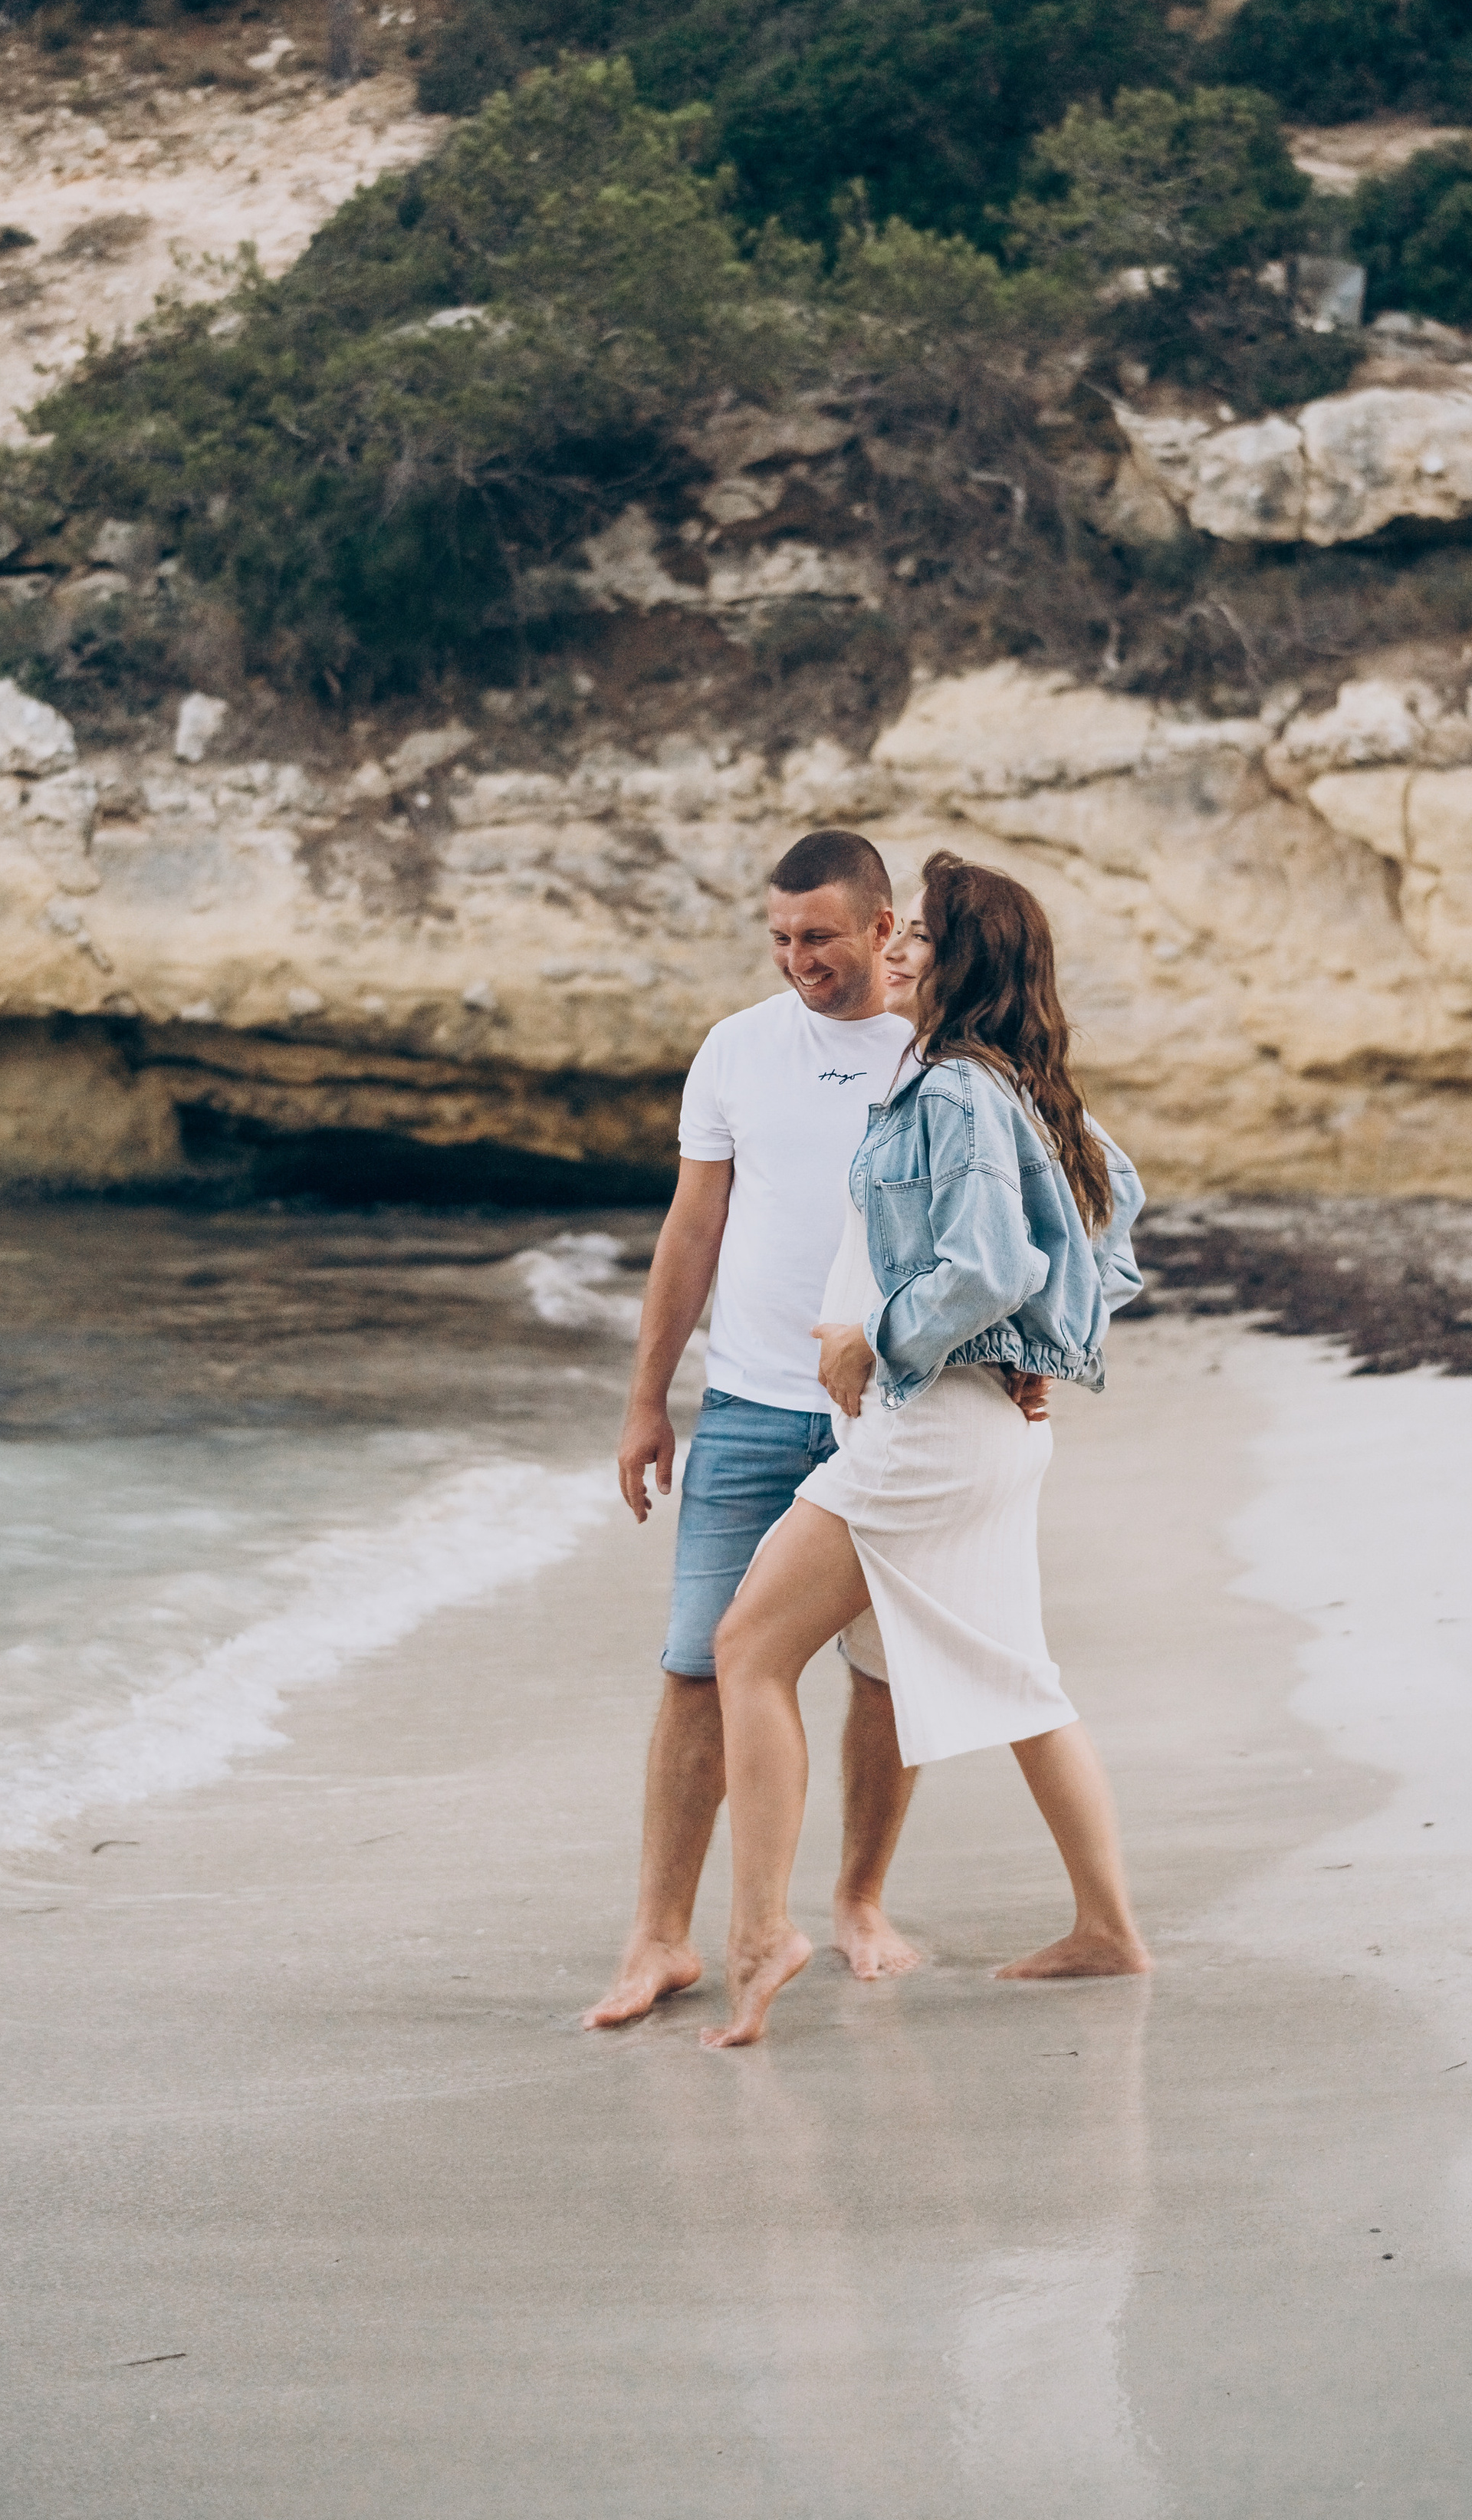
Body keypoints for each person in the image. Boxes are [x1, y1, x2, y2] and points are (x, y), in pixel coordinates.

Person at [702, 849, 1153, 2049]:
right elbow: (1117, 1205)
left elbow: (998, 1264)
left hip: (929, 1432)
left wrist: (878, 1338)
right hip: (984, 1432)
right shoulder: (1016, 1083)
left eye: (921, 936)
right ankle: (1108, 1929)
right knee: (1023, 1683)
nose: (897, 949)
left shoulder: (952, 1087)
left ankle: (760, 1936)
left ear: (959, 961)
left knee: (746, 1647)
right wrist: (1042, 1347)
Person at [583, 827, 923, 2029]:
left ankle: (860, 1903)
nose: (797, 961)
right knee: (697, 1668)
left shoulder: (940, 1052)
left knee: (885, 1675)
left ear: (886, 928)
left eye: (820, 938)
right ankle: (660, 1937)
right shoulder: (735, 1050)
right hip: (746, 1413)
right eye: (780, 939)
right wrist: (645, 1402)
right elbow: (692, 1231)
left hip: (892, 1418)